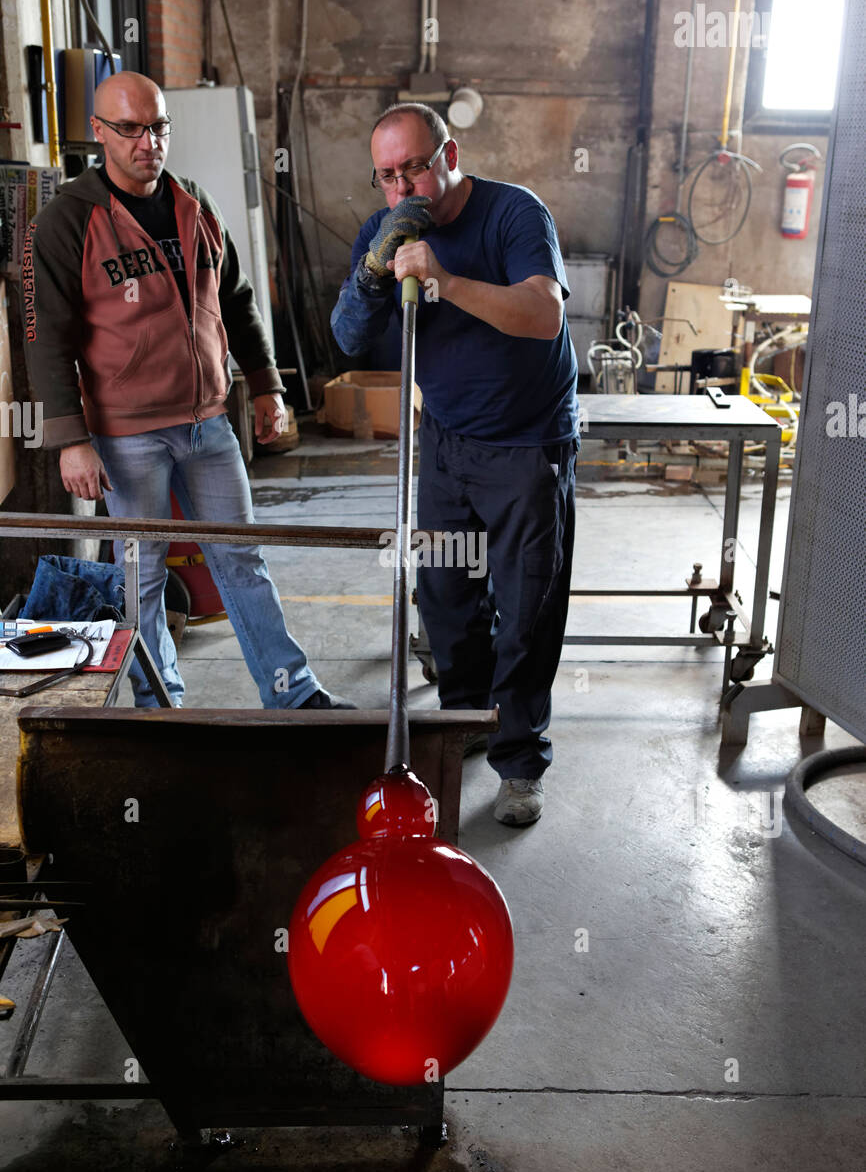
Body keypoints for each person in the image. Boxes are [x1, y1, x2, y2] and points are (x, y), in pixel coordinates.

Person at [22, 71, 353, 711]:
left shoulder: (193, 203)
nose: (150, 141)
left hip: (208, 422)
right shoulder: (67, 222)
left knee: (243, 562)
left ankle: (293, 695)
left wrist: (265, 386)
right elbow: (46, 339)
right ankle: (162, 707)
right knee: (141, 578)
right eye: (131, 129)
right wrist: (71, 440)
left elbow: (238, 300)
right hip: (126, 434)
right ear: (98, 133)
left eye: (159, 125)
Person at [331, 102, 578, 826]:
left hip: (527, 445)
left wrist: (442, 278)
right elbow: (348, 339)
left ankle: (519, 761)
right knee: (444, 599)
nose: (403, 187)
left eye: (414, 167)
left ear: (451, 154)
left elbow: (544, 315)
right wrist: (374, 275)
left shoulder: (513, 216)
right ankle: (468, 722)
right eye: (386, 176)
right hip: (444, 444)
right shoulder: (386, 230)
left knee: (526, 611)